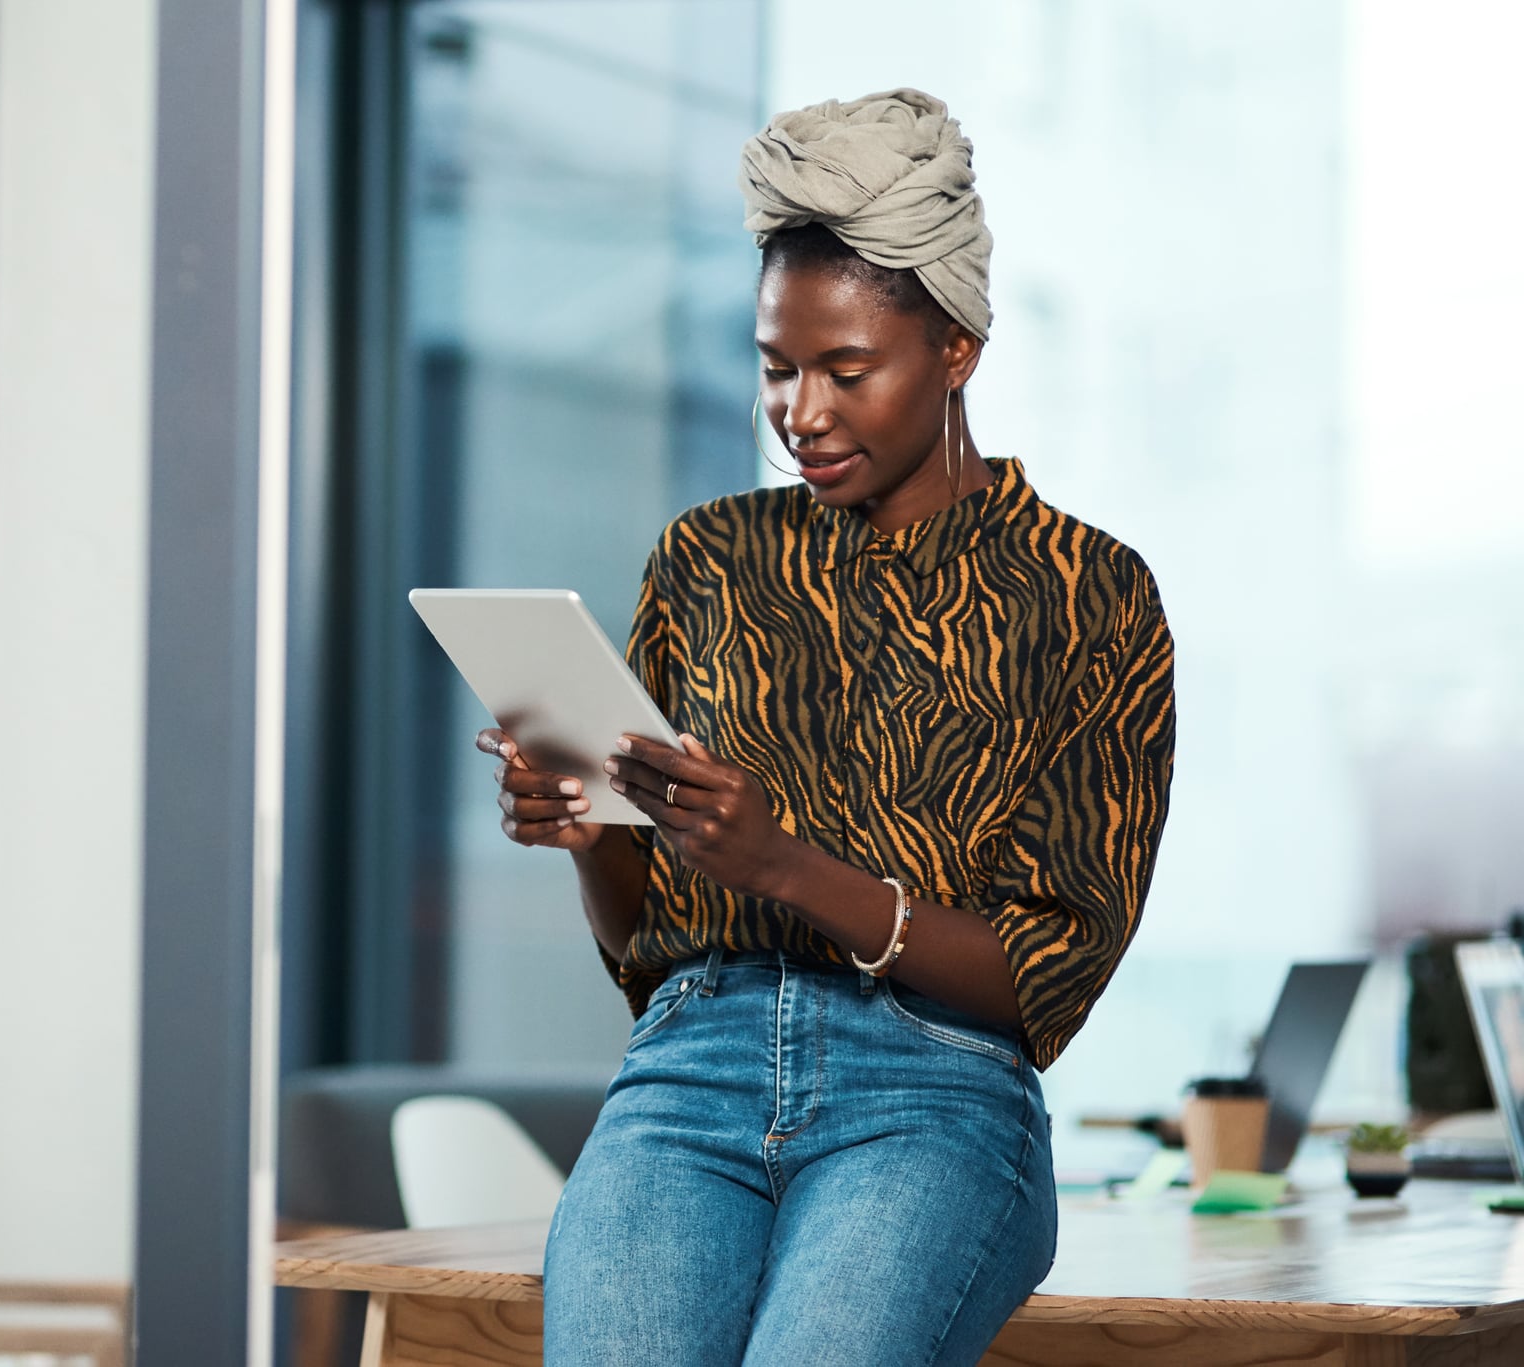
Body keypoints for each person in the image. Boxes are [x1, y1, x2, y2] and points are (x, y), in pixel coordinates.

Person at [476, 90, 1177, 1365]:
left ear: (955, 347)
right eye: (774, 367)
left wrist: (783, 866)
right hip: (687, 1073)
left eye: (844, 370)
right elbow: (644, 946)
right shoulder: (708, 560)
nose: (798, 409)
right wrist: (587, 830)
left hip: (930, 1094)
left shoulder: (1088, 594)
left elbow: (1047, 975)